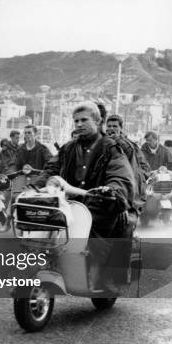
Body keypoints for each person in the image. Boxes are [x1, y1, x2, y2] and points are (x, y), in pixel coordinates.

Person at [37, 101, 135, 289]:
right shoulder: (68, 148)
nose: (79, 124)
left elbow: (121, 177)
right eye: (76, 121)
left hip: (100, 204)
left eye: (84, 120)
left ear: (98, 121)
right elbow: (51, 169)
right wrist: (34, 186)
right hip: (68, 204)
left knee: (94, 227)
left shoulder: (112, 149)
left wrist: (112, 191)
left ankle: (99, 272)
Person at [105, 114, 150, 214]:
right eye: (109, 126)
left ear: (121, 128)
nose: (111, 129)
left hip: (126, 187)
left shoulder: (129, 145)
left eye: (115, 126)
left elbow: (145, 167)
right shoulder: (102, 142)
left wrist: (137, 178)